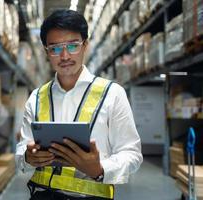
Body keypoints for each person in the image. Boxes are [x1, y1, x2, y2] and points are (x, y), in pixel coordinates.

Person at [15, 9, 143, 200]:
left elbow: (131, 154)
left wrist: (100, 169)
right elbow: (21, 150)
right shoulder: (36, 98)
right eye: (55, 48)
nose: (65, 56)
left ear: (85, 45)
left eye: (73, 46)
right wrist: (27, 157)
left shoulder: (112, 94)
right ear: (46, 52)